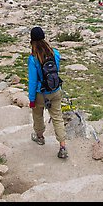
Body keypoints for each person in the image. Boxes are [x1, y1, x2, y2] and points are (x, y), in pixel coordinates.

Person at [27, 26, 68, 159]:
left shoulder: (33, 58)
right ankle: (62, 146)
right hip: (55, 89)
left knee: (38, 115)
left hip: (41, 93)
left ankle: (40, 137)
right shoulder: (55, 53)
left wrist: (32, 99)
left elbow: (33, 81)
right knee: (57, 117)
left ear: (32, 40)